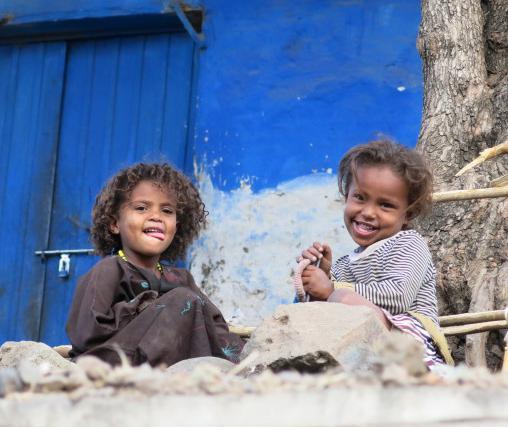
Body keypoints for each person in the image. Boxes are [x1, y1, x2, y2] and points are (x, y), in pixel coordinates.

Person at [66, 163, 244, 367]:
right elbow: (86, 332)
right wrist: (146, 306)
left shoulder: (182, 279)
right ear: (115, 224)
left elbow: (215, 326)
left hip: (184, 367)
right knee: (182, 299)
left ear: (177, 226)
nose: (156, 217)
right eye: (141, 208)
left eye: (167, 211)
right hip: (121, 363)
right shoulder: (110, 270)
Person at [296, 139, 453, 367]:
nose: (368, 212)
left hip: (413, 348)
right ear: (346, 195)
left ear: (408, 214)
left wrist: (332, 289)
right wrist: (319, 277)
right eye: (359, 197)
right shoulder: (343, 264)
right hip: (364, 352)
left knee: (339, 299)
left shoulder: (409, 244)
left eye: (385, 205)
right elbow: (323, 309)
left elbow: (398, 297)